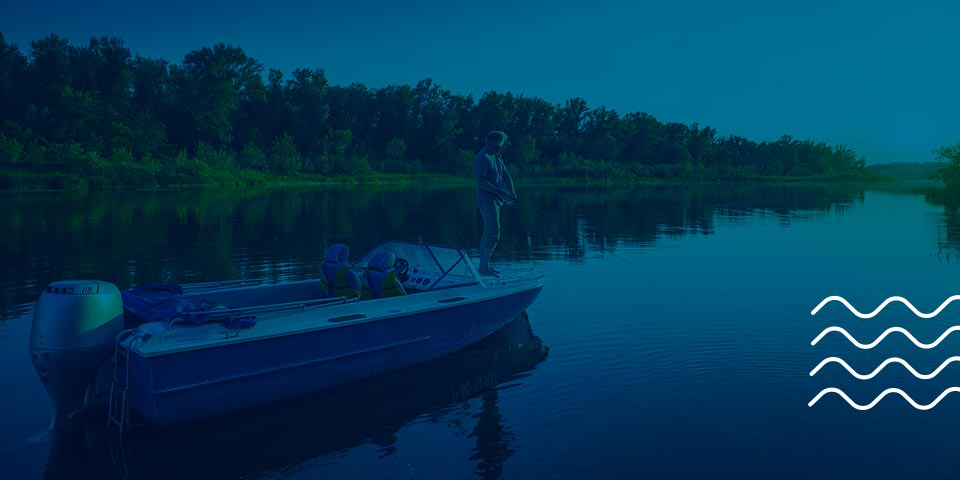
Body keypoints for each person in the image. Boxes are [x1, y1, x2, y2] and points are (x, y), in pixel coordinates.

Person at [475, 130, 517, 277]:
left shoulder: (497, 155)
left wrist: (511, 190)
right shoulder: (483, 157)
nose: (502, 146)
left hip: (497, 200)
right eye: (501, 144)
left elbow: (505, 174)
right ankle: (484, 268)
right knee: (494, 232)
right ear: (493, 142)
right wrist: (502, 193)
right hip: (487, 200)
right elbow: (481, 182)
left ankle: (483, 267)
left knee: (488, 231)